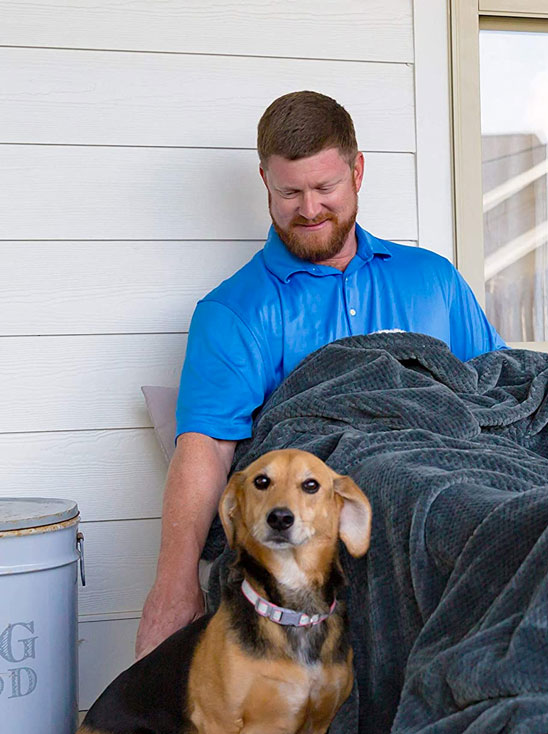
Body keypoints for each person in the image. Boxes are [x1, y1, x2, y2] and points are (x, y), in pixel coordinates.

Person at [135, 91, 505, 659]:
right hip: (355, 501)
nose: (309, 208)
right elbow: (206, 447)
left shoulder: (433, 279)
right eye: (289, 192)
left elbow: (495, 389)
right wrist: (173, 583)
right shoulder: (233, 311)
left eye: (325, 188)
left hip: (462, 470)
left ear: (357, 171)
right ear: (265, 182)